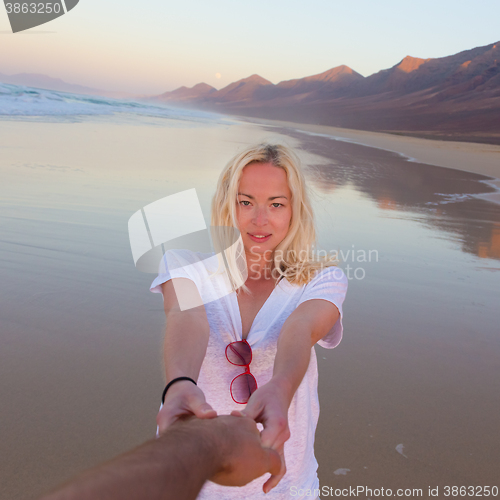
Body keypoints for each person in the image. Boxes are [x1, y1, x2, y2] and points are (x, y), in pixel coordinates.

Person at [151, 143, 348, 499]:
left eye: (276, 204)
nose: (260, 219)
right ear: (227, 205)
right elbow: (187, 315)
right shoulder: (185, 266)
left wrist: (280, 387)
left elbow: (301, 329)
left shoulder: (321, 279)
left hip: (284, 485)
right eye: (246, 202)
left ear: (294, 210)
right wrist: (179, 383)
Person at [38, 414, 281, 500]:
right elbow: (182, 311)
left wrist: (282, 384)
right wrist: (213, 442)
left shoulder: (314, 295)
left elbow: (305, 327)